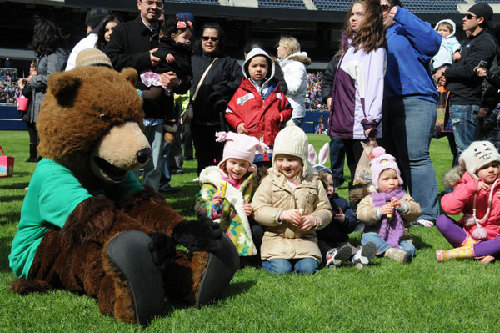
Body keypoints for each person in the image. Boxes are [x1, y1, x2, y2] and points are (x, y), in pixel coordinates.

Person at [105, 0, 185, 192]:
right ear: (139, 4)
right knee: (130, 162)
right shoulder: (122, 31)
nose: (154, 7)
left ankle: (150, 203)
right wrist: (144, 59)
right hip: (130, 112)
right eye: (150, 2)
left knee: (154, 166)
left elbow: (183, 66)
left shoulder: (170, 34)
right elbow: (111, 61)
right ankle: (129, 202)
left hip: (159, 112)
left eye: (159, 3)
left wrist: (176, 80)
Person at [380, 0, 441, 227]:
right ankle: (400, 208)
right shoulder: (374, 34)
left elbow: (433, 42)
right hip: (384, 103)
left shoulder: (407, 27)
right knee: (390, 160)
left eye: (385, 5)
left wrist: (400, 14)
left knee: (415, 157)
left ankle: (425, 213)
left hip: (416, 98)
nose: (381, 11)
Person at [252, 123, 332, 275]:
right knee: (282, 269)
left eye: (291, 160)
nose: (285, 165)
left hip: (305, 239)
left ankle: (304, 261)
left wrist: (314, 219)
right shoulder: (270, 180)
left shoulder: (312, 181)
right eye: (280, 159)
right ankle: (269, 262)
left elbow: (325, 209)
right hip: (276, 239)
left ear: (302, 160)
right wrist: (280, 214)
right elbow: (258, 208)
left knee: (307, 269)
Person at [327, 0, 386, 181]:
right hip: (347, 123)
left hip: (361, 124)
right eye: (352, 14)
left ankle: (366, 209)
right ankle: (357, 208)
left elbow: (374, 86)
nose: (353, 18)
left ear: (372, 18)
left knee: (365, 178)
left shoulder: (374, 49)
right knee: (355, 171)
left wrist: (371, 121)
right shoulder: (351, 47)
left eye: (359, 14)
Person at [434, 3, 497, 154]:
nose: (464, 18)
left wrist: (445, 71)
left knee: (467, 152)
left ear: (480, 20)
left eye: (469, 16)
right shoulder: (465, 42)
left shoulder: (485, 42)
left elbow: (470, 70)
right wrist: (443, 75)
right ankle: (460, 179)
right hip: (453, 100)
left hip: (466, 103)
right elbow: (456, 68)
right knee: (457, 152)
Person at [308, 143, 377, 269]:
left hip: (338, 238)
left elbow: (352, 222)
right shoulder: (311, 203)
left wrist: (344, 219)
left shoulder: (340, 202)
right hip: (320, 239)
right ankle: (331, 257)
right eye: (324, 186)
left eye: (331, 185)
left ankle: (358, 257)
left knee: (346, 246)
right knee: (321, 246)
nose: (329, 189)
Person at [195, 132, 264, 257]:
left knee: (257, 230)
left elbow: (260, 201)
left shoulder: (250, 182)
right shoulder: (213, 181)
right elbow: (200, 207)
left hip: (241, 226)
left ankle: (250, 257)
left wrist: (251, 210)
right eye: (233, 163)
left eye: (243, 164)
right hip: (220, 226)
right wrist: (214, 205)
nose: (237, 168)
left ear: (249, 166)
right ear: (224, 163)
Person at [225, 47, 292, 165]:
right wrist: (238, 123)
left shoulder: (276, 91)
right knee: (250, 177)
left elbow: (288, 109)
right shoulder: (241, 92)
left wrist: (280, 117)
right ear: (247, 68)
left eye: (263, 66)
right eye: (254, 66)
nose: (259, 69)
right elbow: (229, 112)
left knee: (269, 177)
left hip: (270, 143)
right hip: (248, 144)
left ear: (268, 68)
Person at [436, 141, 500, 264]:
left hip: (496, 235)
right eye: (485, 167)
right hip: (469, 234)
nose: (491, 170)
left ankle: (460, 253)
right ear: (474, 171)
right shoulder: (466, 184)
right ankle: (483, 251)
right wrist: (470, 189)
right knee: (442, 221)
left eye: (494, 165)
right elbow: (449, 208)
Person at [190, 23, 242, 175]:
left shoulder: (229, 62)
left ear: (220, 41)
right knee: (201, 161)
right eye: (205, 38)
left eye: (214, 38)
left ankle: (222, 194)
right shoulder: (192, 59)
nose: (209, 41)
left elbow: (240, 82)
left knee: (222, 162)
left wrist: (224, 88)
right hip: (197, 123)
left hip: (219, 125)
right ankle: (204, 195)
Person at [357, 147, 422, 263]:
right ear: (376, 182)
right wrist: (378, 211)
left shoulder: (402, 196)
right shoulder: (371, 198)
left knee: (409, 248)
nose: (392, 182)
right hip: (376, 234)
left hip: (400, 238)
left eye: (394, 178)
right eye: (386, 179)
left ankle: (381, 250)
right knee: (368, 237)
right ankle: (391, 252)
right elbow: (361, 213)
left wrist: (403, 206)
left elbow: (416, 210)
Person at [29, 16, 68, 161]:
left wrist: (33, 80)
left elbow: (54, 78)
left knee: (50, 148)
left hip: (50, 105)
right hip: (41, 104)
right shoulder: (46, 54)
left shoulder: (55, 54)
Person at [322, 55, 346, 187]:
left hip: (358, 109)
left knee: (357, 148)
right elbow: (327, 79)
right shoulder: (337, 58)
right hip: (339, 109)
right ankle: (336, 178)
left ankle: (359, 179)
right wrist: (328, 96)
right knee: (337, 143)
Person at [276, 36, 311, 128]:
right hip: (285, 110)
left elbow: (294, 87)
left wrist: (276, 85)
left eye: (279, 46)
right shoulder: (286, 65)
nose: (277, 48)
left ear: (286, 50)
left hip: (293, 113)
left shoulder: (296, 66)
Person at [16, 60, 38, 162]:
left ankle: (33, 156)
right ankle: (38, 156)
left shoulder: (34, 79)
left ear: (34, 68)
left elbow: (26, 92)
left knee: (33, 134)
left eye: (31, 67)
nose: (29, 68)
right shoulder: (35, 79)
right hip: (34, 110)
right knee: (36, 135)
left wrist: (21, 85)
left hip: (32, 110)